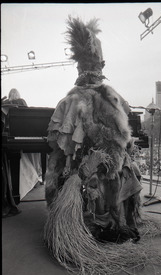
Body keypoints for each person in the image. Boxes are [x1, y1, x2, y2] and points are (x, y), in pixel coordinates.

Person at [45, 16, 142, 242]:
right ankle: (119, 220)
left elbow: (53, 142)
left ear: (78, 68)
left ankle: (78, 222)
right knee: (124, 164)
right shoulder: (115, 98)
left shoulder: (66, 102)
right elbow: (127, 137)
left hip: (80, 176)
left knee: (64, 167)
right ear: (102, 66)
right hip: (110, 174)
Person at [2, 89, 42, 217]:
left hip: (12, 138)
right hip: (28, 134)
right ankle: (36, 179)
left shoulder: (7, 105)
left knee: (17, 156)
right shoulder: (22, 103)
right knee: (30, 155)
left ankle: (16, 192)